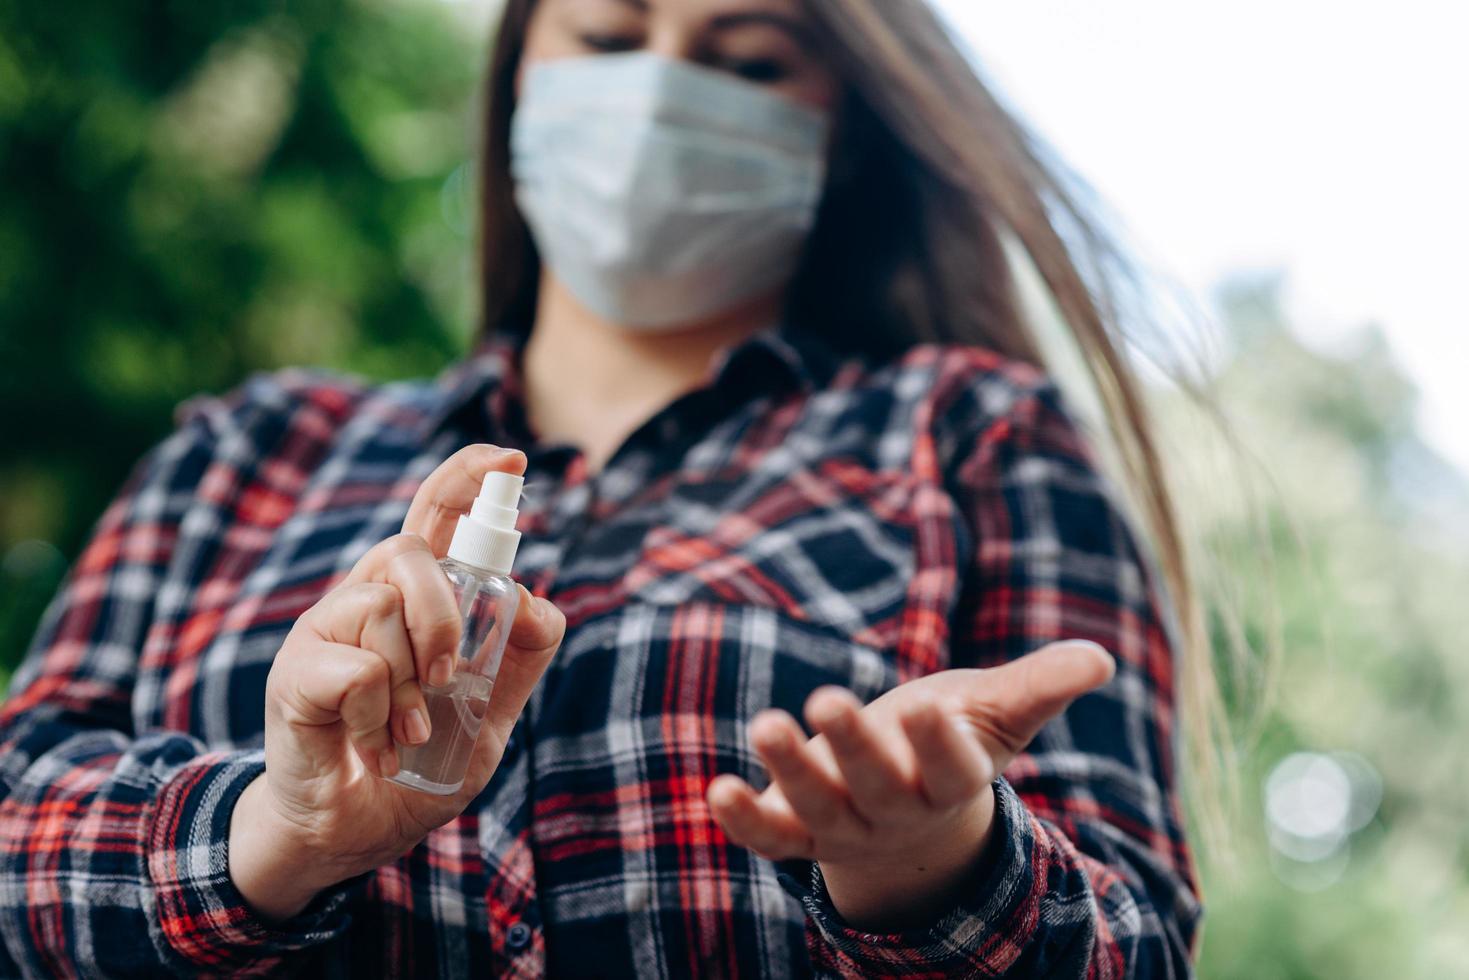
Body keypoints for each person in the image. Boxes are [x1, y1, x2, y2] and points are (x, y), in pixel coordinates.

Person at [0, 0, 1207, 975]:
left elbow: (1132, 937)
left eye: (745, 60)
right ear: (520, 68)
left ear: (844, 133)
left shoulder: (970, 437)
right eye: (609, 39)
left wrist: (935, 861)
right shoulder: (246, 454)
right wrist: (269, 832)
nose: (658, 96)